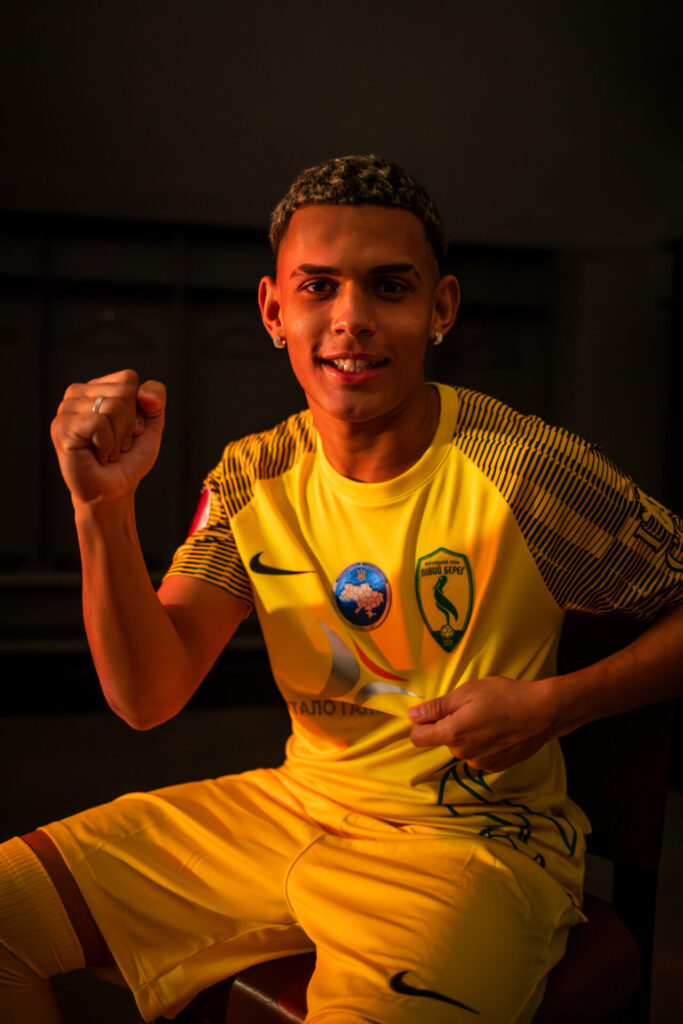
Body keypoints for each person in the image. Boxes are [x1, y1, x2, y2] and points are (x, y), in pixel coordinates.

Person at [1, 155, 682, 1024]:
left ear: (440, 309)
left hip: (469, 846)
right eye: (317, 287)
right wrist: (101, 508)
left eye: (389, 287)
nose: (350, 319)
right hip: (296, 808)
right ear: (273, 312)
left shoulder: (525, 471)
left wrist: (557, 705)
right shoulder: (253, 474)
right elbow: (147, 696)